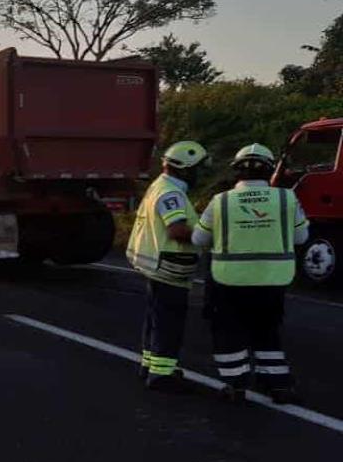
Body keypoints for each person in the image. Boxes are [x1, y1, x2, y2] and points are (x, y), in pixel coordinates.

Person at [192, 143, 309, 404]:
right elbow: (301, 237)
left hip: (229, 280)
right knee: (267, 329)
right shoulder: (286, 198)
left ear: (236, 172)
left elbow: (199, 238)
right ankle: (278, 384)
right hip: (273, 278)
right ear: (269, 171)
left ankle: (235, 384)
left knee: (228, 330)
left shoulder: (220, 201)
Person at [126, 141, 208, 391]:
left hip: (158, 267)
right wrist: (208, 234)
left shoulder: (159, 186)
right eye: (197, 169)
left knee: (156, 318)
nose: (199, 175)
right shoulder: (172, 193)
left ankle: (149, 365)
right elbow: (177, 230)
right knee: (169, 322)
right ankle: (162, 375)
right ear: (184, 169)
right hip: (170, 269)